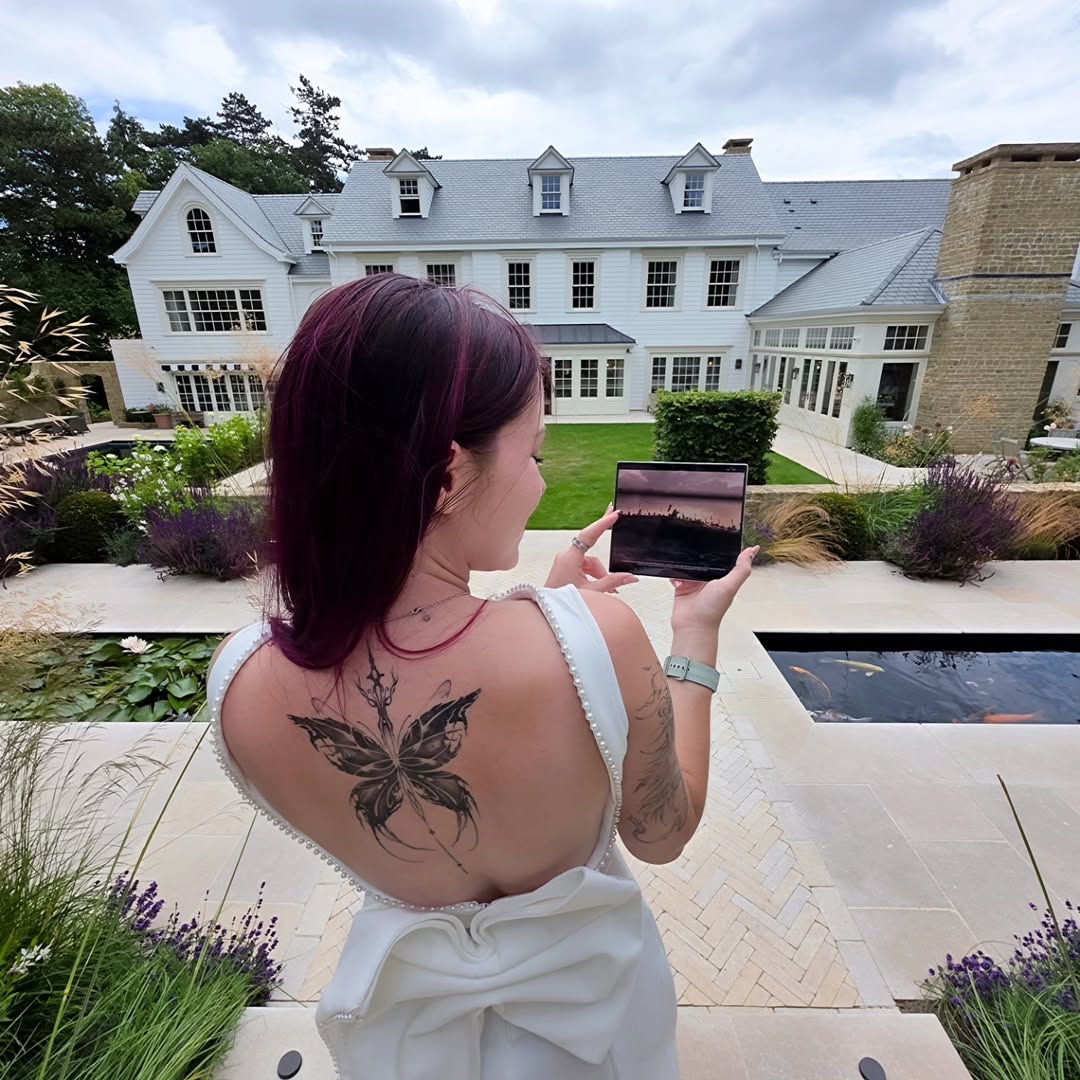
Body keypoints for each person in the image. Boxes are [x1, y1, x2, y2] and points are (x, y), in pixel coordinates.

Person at [208, 274, 756, 1080]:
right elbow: (663, 835)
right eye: (533, 452)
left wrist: (556, 613)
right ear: (449, 476)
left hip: (409, 1044)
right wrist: (693, 637)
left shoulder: (240, 683)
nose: (540, 481)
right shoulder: (600, 639)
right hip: (598, 1029)